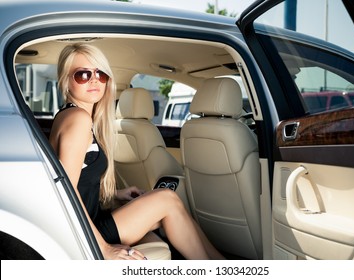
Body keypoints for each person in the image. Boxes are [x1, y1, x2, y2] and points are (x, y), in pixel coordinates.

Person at [49, 43, 224, 260]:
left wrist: (115, 194)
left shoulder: (72, 117)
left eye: (100, 74)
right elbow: (64, 190)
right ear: (66, 81)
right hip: (82, 232)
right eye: (83, 74)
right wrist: (104, 249)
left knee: (170, 205)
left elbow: (80, 179)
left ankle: (220, 265)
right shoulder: (78, 119)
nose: (94, 80)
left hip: (89, 221)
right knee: (167, 199)